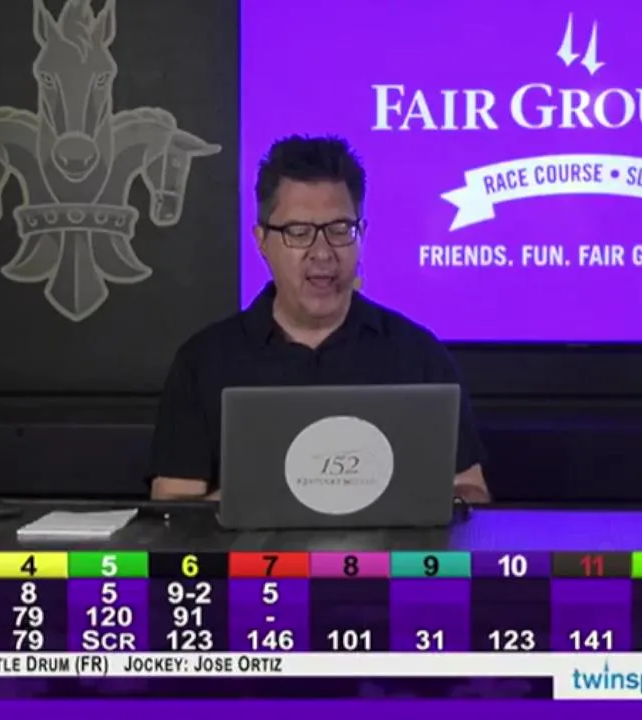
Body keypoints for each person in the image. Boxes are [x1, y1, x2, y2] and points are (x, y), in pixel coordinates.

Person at [148, 135, 490, 503]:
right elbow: (173, 510)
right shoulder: (203, 362)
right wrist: (261, 497)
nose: (323, 253)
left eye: (340, 230)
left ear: (362, 235)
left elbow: (470, 488)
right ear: (261, 240)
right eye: (299, 233)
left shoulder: (418, 355)